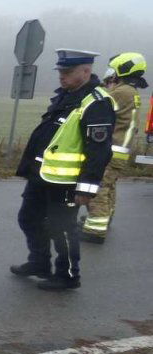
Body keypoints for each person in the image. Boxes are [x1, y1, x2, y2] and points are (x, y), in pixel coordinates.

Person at [10, 49, 116, 291]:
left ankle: (68, 275)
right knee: (28, 218)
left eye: (67, 72)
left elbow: (99, 151)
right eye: (60, 71)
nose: (62, 76)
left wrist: (87, 188)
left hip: (67, 182)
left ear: (86, 71)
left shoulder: (97, 103)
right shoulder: (67, 95)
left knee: (62, 229)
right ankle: (39, 263)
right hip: (44, 175)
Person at [82, 53, 147, 244]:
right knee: (109, 187)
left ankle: (95, 230)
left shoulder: (121, 92)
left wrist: (96, 85)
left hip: (111, 149)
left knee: (98, 188)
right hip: (121, 151)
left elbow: (98, 102)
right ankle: (104, 218)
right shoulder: (130, 91)